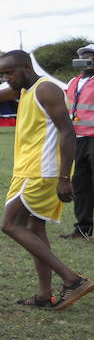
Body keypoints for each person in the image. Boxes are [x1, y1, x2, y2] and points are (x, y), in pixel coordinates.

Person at [0, 51, 92, 308]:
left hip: (42, 171)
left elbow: (67, 133)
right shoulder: (20, 90)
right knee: (34, 229)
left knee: (9, 224)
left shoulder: (46, 89)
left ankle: (73, 280)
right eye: (2, 74)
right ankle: (44, 295)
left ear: (26, 67)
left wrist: (65, 177)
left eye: (9, 72)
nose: (6, 78)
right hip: (28, 169)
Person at [62, 43, 94, 240]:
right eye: (85, 56)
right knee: (81, 185)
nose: (88, 60)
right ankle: (83, 228)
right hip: (77, 139)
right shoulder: (73, 82)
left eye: (91, 56)